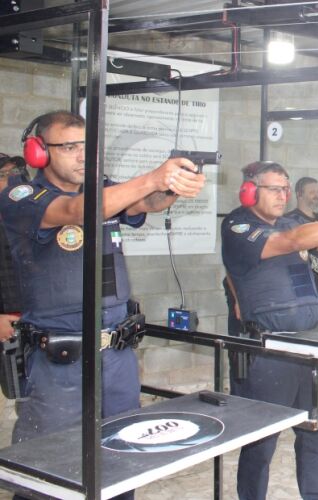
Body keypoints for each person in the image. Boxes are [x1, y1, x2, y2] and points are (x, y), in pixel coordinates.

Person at [0, 111, 205, 477]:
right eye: (70, 147)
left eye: (88, 146)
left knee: (123, 456)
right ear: (39, 152)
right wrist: (151, 177)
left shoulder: (103, 189)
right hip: (59, 362)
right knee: (50, 464)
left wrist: (173, 184)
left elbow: (147, 203)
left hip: (117, 355)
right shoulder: (23, 197)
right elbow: (77, 210)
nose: (82, 155)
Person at [222, 160, 318, 500]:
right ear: (250, 191)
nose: (282, 196)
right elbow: (290, 241)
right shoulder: (238, 226)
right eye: (274, 189)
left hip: (308, 346)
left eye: (285, 188)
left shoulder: (291, 222)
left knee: (316, 433)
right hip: (268, 349)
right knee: (261, 441)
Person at [286, 177, 318, 311]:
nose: (316, 195)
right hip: (302, 284)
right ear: (299, 194)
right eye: (312, 192)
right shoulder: (289, 220)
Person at [0, 154, 27, 342]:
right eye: (3, 174)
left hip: (34, 323)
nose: (11, 179)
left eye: (15, 172)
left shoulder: (32, 216)